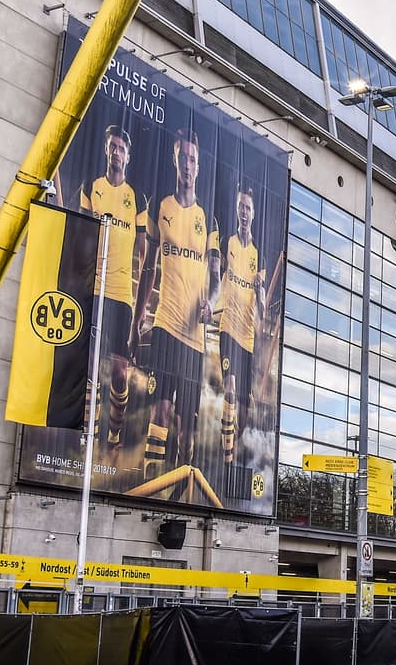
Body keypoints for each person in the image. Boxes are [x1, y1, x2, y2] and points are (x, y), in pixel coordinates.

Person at [136, 128, 220, 482]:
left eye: (193, 160)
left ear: (198, 167)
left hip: (193, 337)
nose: (188, 165)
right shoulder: (161, 207)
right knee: (161, 410)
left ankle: (180, 484)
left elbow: (217, 280)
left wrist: (210, 306)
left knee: (187, 423)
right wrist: (137, 318)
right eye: (183, 158)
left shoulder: (208, 220)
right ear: (175, 161)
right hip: (165, 325)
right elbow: (149, 266)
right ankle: (151, 481)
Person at [78, 124, 148, 451]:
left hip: (121, 294)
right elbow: (79, 233)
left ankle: (114, 434)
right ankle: (88, 437)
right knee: (91, 364)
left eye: (121, 148)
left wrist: (138, 274)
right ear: (106, 150)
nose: (116, 152)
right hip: (95, 288)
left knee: (120, 371)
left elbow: (145, 250)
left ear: (129, 156)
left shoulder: (137, 199)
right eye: (112, 147)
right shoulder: (92, 188)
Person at [218, 185, 267, 467]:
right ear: (237, 211)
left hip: (247, 337)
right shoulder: (229, 243)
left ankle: (233, 441)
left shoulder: (258, 256)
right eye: (241, 207)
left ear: (254, 213)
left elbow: (261, 310)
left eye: (248, 208)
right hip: (228, 328)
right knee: (230, 390)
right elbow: (215, 275)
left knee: (247, 405)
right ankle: (228, 459)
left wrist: (260, 291)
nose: (244, 213)